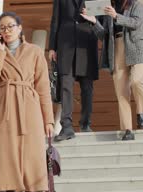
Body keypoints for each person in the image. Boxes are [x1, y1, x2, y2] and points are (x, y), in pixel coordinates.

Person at [0, 11, 54, 192]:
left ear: (20, 28)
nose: (7, 30)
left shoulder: (34, 52)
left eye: (11, 26)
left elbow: (43, 87)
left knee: (31, 160)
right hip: (3, 111)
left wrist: (49, 119)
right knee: (5, 163)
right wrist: (0, 51)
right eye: (2, 27)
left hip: (29, 110)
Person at [81, 0, 143, 140]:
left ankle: (140, 112)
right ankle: (128, 130)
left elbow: (136, 23)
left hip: (137, 48)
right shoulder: (108, 7)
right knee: (121, 91)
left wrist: (116, 16)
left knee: (137, 81)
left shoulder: (136, 4)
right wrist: (95, 22)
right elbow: (104, 36)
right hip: (116, 48)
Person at [49, 0, 99, 141]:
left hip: (87, 44)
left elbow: (103, 19)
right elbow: (55, 20)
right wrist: (52, 47)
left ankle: (85, 124)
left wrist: (94, 20)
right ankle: (66, 127)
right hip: (65, 45)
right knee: (65, 85)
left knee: (87, 88)